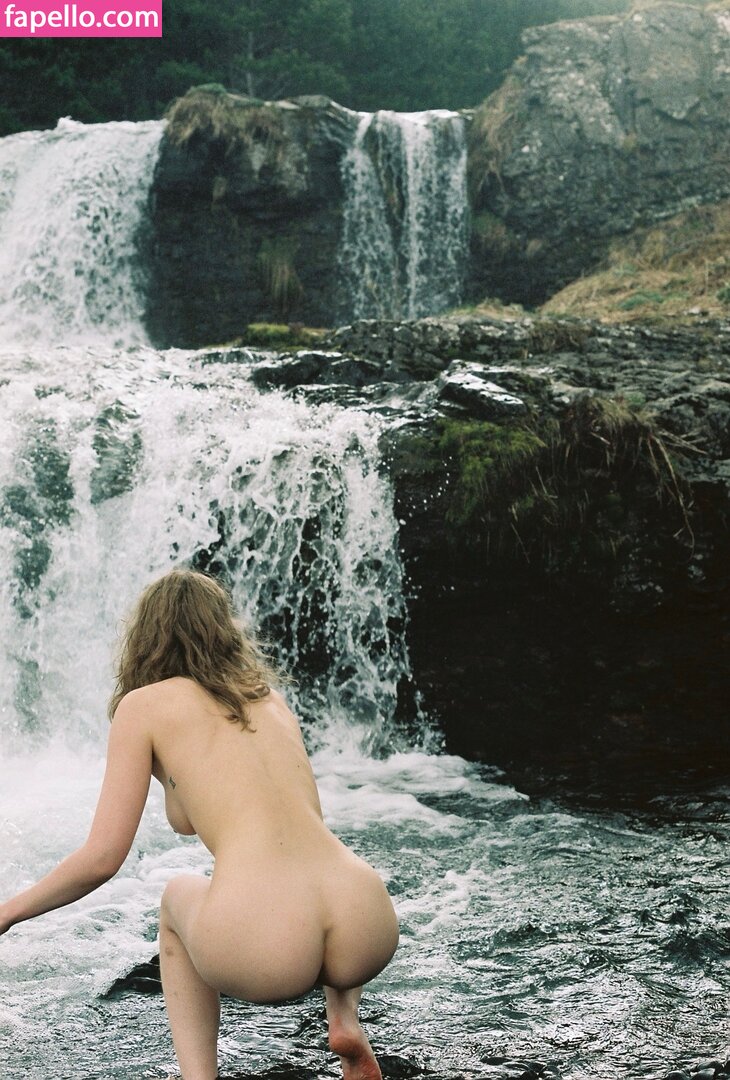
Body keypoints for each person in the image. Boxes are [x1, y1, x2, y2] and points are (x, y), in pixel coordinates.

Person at [0, 568, 399, 1080]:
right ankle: (344, 1020)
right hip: (365, 920)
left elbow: (102, 859)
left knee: (175, 900)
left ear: (146, 638)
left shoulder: (141, 707)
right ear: (225, 630)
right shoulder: (268, 699)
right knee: (315, 860)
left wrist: (9, 912)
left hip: (272, 943)